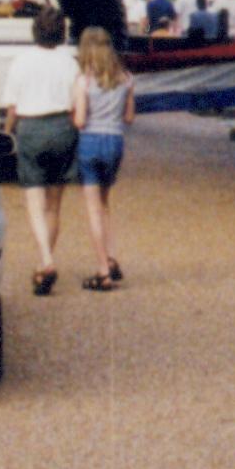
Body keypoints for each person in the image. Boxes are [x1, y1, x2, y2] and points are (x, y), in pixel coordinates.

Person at [3, 5, 82, 292]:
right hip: (62, 128)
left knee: (34, 202)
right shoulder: (70, 63)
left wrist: (7, 131)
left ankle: (46, 260)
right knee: (54, 204)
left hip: (31, 129)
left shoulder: (21, 61)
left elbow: (12, 106)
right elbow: (76, 103)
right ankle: (43, 260)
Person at [69, 24, 135, 288]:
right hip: (115, 141)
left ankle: (102, 270)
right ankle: (111, 256)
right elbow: (129, 117)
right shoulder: (127, 78)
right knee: (105, 205)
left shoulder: (83, 81)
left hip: (90, 142)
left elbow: (80, 120)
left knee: (93, 209)